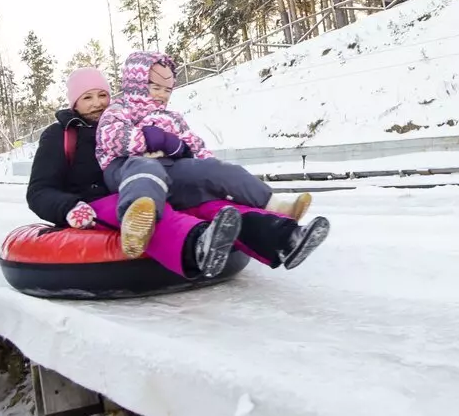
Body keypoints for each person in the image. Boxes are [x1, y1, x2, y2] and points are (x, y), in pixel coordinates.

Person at [95, 51, 329, 271]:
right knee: (145, 169)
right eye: (155, 87)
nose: (161, 95)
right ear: (135, 85)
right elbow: (110, 138)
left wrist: (197, 160)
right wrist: (147, 138)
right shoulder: (120, 109)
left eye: (167, 90)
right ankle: (137, 222)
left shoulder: (172, 117)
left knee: (216, 170)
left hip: (170, 168)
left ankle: (276, 205)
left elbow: (196, 147)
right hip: (126, 167)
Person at [27, 67, 242, 280]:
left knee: (190, 200)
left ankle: (256, 231)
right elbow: (39, 191)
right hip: (94, 204)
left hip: (141, 185)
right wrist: (69, 207)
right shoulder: (60, 135)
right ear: (74, 103)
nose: (97, 103)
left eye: (103, 95)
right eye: (87, 97)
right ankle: (197, 244)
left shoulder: (127, 122)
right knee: (146, 213)